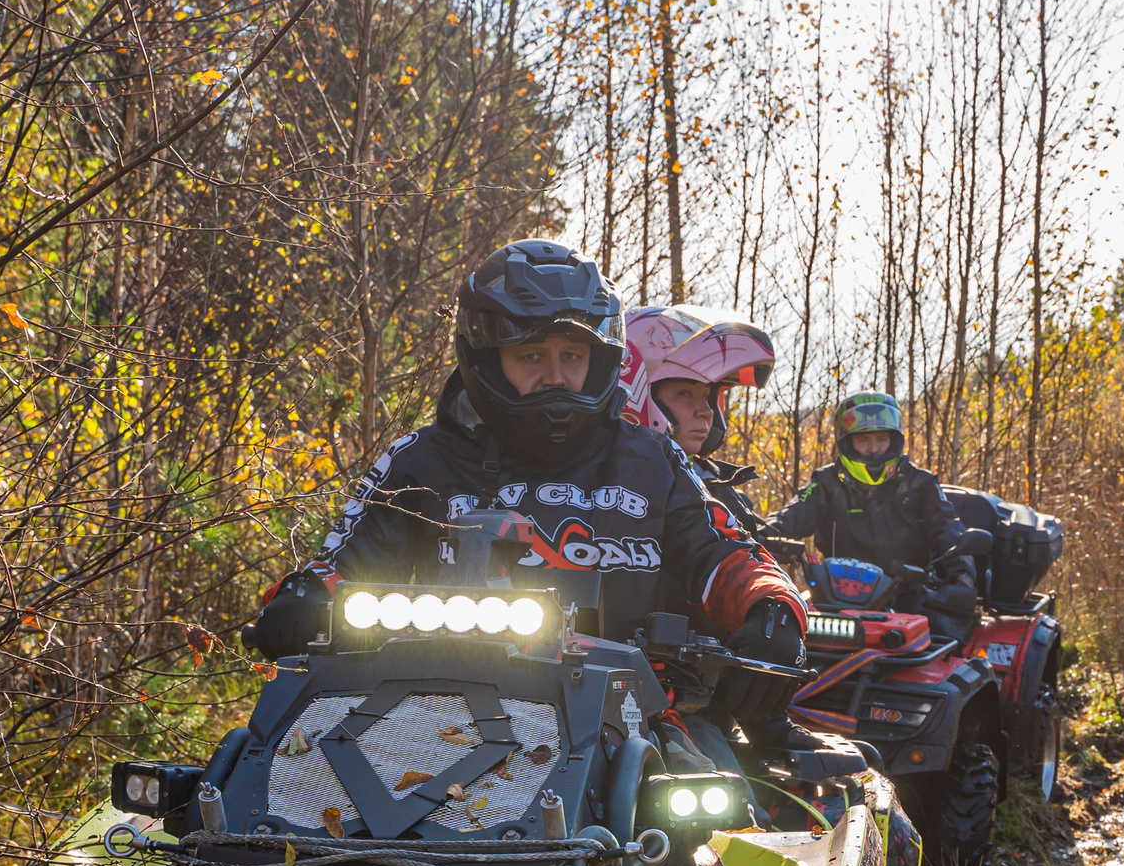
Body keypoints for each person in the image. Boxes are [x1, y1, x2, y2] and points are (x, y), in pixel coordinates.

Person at [246, 240, 806, 693]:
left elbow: (724, 554)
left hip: (636, 714)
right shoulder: (422, 459)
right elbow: (341, 562)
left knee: (722, 803)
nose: (555, 376)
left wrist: (771, 605)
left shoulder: (653, 458)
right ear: (487, 360)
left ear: (601, 361)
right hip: (431, 703)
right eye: (532, 357)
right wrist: (304, 599)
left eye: (572, 357)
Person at [763, 390, 976, 635]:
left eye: (881, 439)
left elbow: (948, 530)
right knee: (780, 635)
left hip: (908, 596)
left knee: (946, 643)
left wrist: (963, 578)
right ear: (847, 441)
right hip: (836, 596)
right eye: (863, 440)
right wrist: (758, 535)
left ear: (894, 440)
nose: (874, 449)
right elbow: (793, 514)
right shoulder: (826, 482)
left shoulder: (920, 483)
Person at [620, 305, 776, 539]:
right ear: (637, 391)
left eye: (706, 396)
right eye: (685, 393)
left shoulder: (721, 490)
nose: (707, 412)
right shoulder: (607, 491)